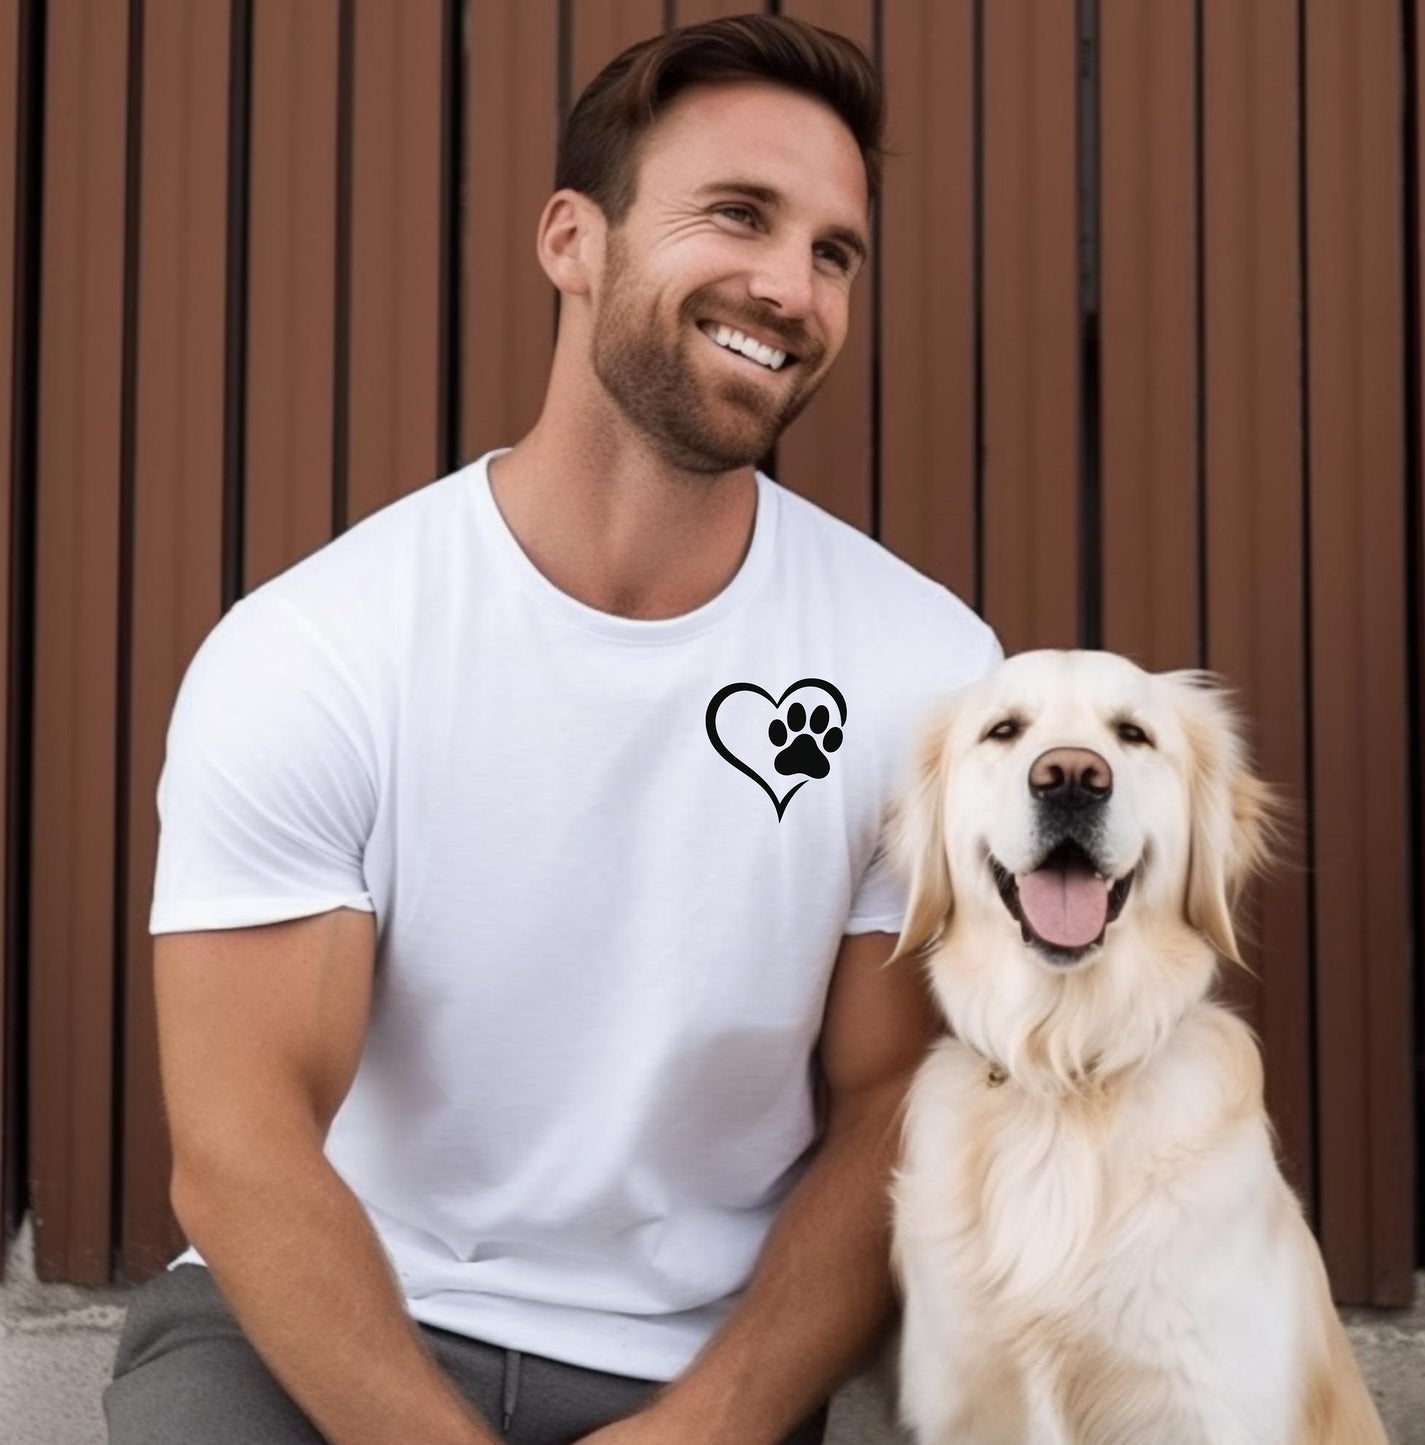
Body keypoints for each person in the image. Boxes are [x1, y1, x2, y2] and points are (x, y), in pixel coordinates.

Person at [104, 15, 1000, 1445]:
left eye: (833, 251)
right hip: (315, 1332)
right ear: (570, 240)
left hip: (696, 1373)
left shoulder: (923, 670)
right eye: (738, 215)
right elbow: (240, 1148)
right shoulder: (323, 649)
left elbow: (899, 1098)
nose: (790, 287)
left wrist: (713, 1421)